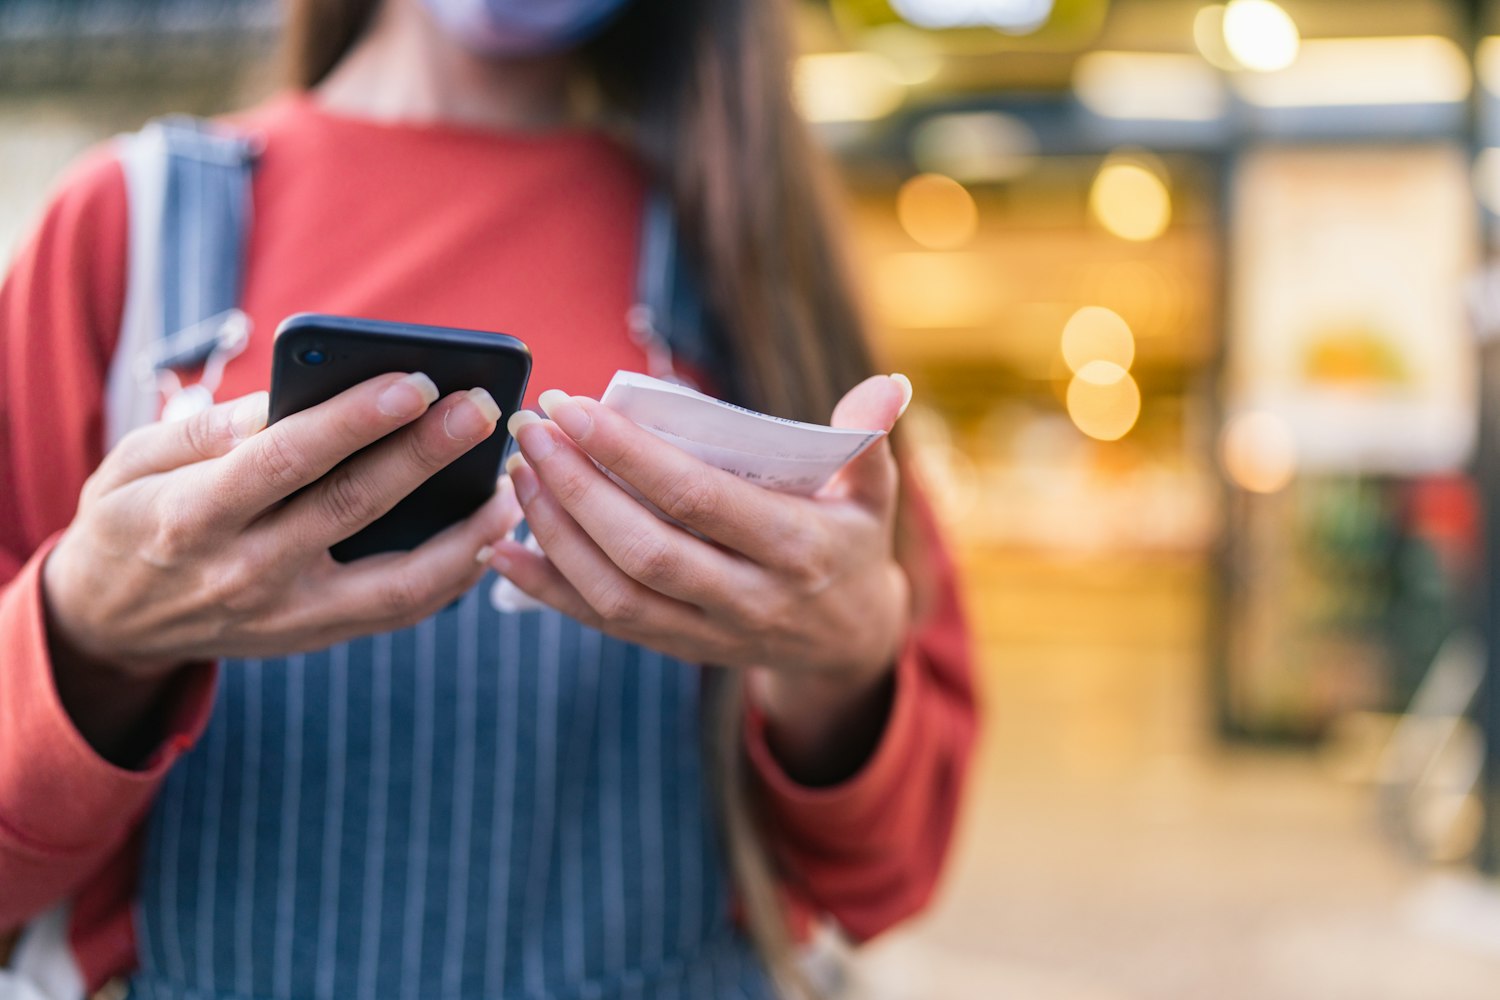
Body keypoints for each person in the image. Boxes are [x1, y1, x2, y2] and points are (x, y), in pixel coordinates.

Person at [0, 0, 977, 997]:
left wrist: (843, 676)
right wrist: (83, 635)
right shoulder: (127, 232)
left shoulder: (748, 259)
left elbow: (892, 872)